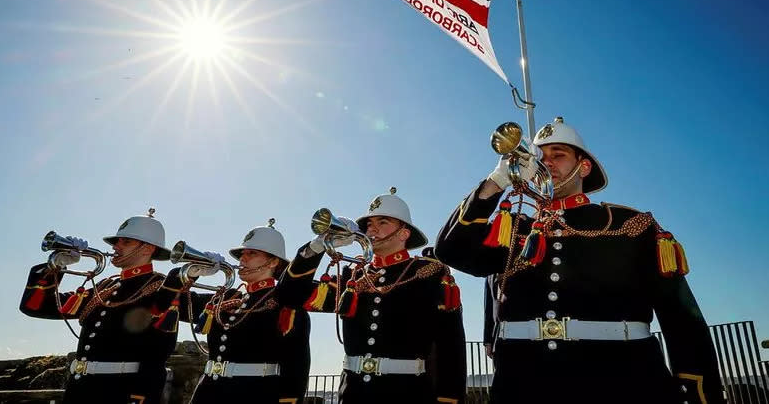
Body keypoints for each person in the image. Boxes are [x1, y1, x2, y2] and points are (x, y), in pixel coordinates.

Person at [435, 117, 724, 404]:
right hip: (522, 385)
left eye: (558, 155)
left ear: (583, 166)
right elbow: (450, 249)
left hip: (622, 383)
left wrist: (698, 391)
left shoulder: (629, 225)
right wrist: (496, 182)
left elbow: (682, 320)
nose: (546, 163)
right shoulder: (515, 230)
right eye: (539, 158)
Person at [278, 188, 466, 404]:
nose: (371, 229)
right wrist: (317, 246)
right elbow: (289, 295)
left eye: (382, 222)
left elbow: (451, 345)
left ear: (404, 233)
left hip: (408, 393)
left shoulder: (428, 273)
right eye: (369, 224)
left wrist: (449, 399)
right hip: (353, 393)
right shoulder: (353, 274)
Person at [20, 209, 178, 404]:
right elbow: (35, 306)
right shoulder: (104, 287)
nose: (116, 246)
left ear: (147, 249)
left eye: (126, 241)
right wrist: (55, 266)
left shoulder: (161, 288)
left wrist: (139, 398)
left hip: (119, 393)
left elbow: (157, 354)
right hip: (79, 390)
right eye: (116, 241)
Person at [159, 220, 310, 403]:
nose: (242, 259)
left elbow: (297, 366)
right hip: (208, 392)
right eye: (241, 254)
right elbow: (166, 303)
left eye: (252, 253)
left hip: (254, 394)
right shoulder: (227, 296)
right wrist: (192, 271)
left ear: (273, 262)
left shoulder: (284, 302)